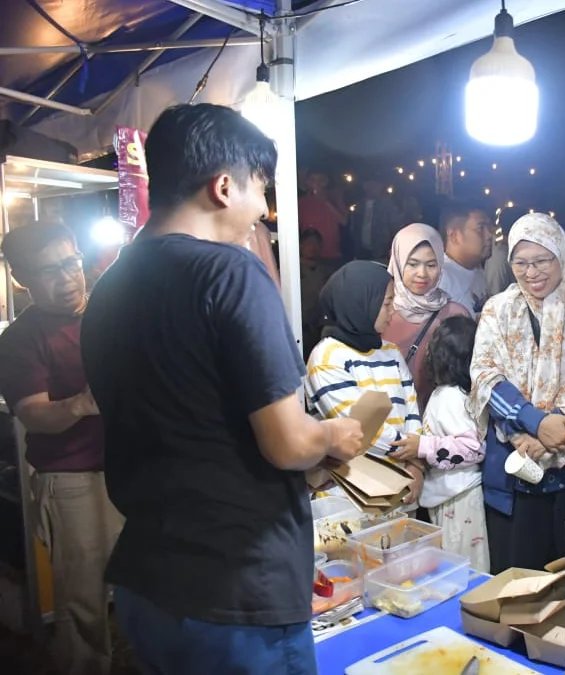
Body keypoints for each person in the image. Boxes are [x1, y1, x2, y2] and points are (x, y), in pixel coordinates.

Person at [79, 104, 365, 675]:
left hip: (148, 579)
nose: (263, 209)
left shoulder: (108, 287)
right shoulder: (230, 272)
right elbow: (287, 442)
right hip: (236, 588)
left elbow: (191, 424)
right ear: (224, 186)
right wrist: (332, 432)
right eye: (261, 190)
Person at [0, 223, 122, 675]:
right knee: (83, 604)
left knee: (145, 586)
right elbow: (33, 414)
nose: (68, 278)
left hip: (134, 471)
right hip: (73, 480)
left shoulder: (109, 313)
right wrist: (82, 403)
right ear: (21, 277)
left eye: (70, 263)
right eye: (48, 271)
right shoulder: (19, 340)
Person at [471, 213, 565, 573]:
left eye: (542, 261)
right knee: (522, 582)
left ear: (562, 255)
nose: (531, 272)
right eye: (520, 263)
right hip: (517, 468)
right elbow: (484, 375)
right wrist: (533, 423)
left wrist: (549, 437)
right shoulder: (499, 310)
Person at [305, 261, 426, 504]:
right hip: (349, 494)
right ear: (362, 303)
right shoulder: (327, 357)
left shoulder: (391, 353)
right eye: (387, 303)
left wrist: (416, 464)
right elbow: (360, 429)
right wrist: (411, 451)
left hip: (401, 485)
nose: (393, 311)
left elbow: (411, 409)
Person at [386, 316, 490, 572]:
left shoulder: (450, 397)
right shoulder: (457, 395)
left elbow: (473, 448)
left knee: (462, 569)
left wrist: (422, 447)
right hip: (451, 495)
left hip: (459, 497)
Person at [381, 223, 470, 410]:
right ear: (396, 262)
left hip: (440, 424)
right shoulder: (383, 314)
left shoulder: (455, 314)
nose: (422, 274)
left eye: (431, 265)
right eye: (412, 264)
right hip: (391, 423)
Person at [439, 199, 494, 316]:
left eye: (489, 227)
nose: (489, 235)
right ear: (454, 235)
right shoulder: (440, 279)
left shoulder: (477, 271)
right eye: (480, 228)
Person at [300, 228, 336, 358]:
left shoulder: (328, 272)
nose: (313, 247)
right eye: (309, 243)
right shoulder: (292, 271)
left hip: (321, 331)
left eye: (316, 244)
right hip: (301, 330)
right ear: (301, 245)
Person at [298, 170, 348, 263]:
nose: (316, 184)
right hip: (309, 255)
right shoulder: (302, 201)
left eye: (320, 180)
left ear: (326, 181)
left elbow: (344, 221)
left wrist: (326, 202)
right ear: (308, 182)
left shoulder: (335, 197)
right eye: (313, 180)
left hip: (331, 254)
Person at [353, 177, 403, 263]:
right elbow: (354, 228)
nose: (374, 188)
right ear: (365, 186)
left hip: (381, 253)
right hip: (362, 253)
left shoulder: (388, 206)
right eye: (371, 185)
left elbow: (396, 228)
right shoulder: (359, 206)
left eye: (376, 185)